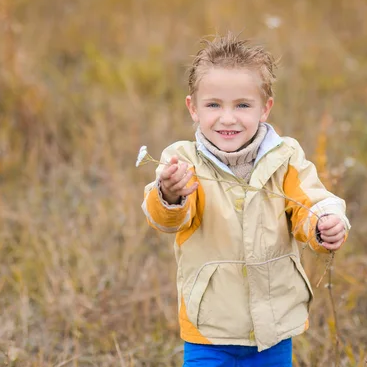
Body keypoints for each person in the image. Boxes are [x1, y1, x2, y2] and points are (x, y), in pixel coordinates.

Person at [141, 32, 351, 367]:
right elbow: (168, 220)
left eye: (242, 105)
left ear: (265, 108)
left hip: (273, 326)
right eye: (213, 105)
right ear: (192, 108)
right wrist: (169, 194)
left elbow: (309, 203)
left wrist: (324, 224)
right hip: (208, 327)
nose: (228, 118)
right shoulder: (182, 162)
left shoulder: (285, 158)